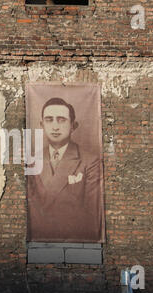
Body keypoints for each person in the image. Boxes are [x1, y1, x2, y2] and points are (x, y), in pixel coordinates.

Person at [27, 97, 103, 242]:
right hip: (41, 237)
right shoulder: (32, 161)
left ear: (73, 125)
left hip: (75, 237)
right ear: (42, 125)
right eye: (49, 120)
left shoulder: (90, 161)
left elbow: (92, 211)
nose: (55, 127)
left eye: (61, 120)